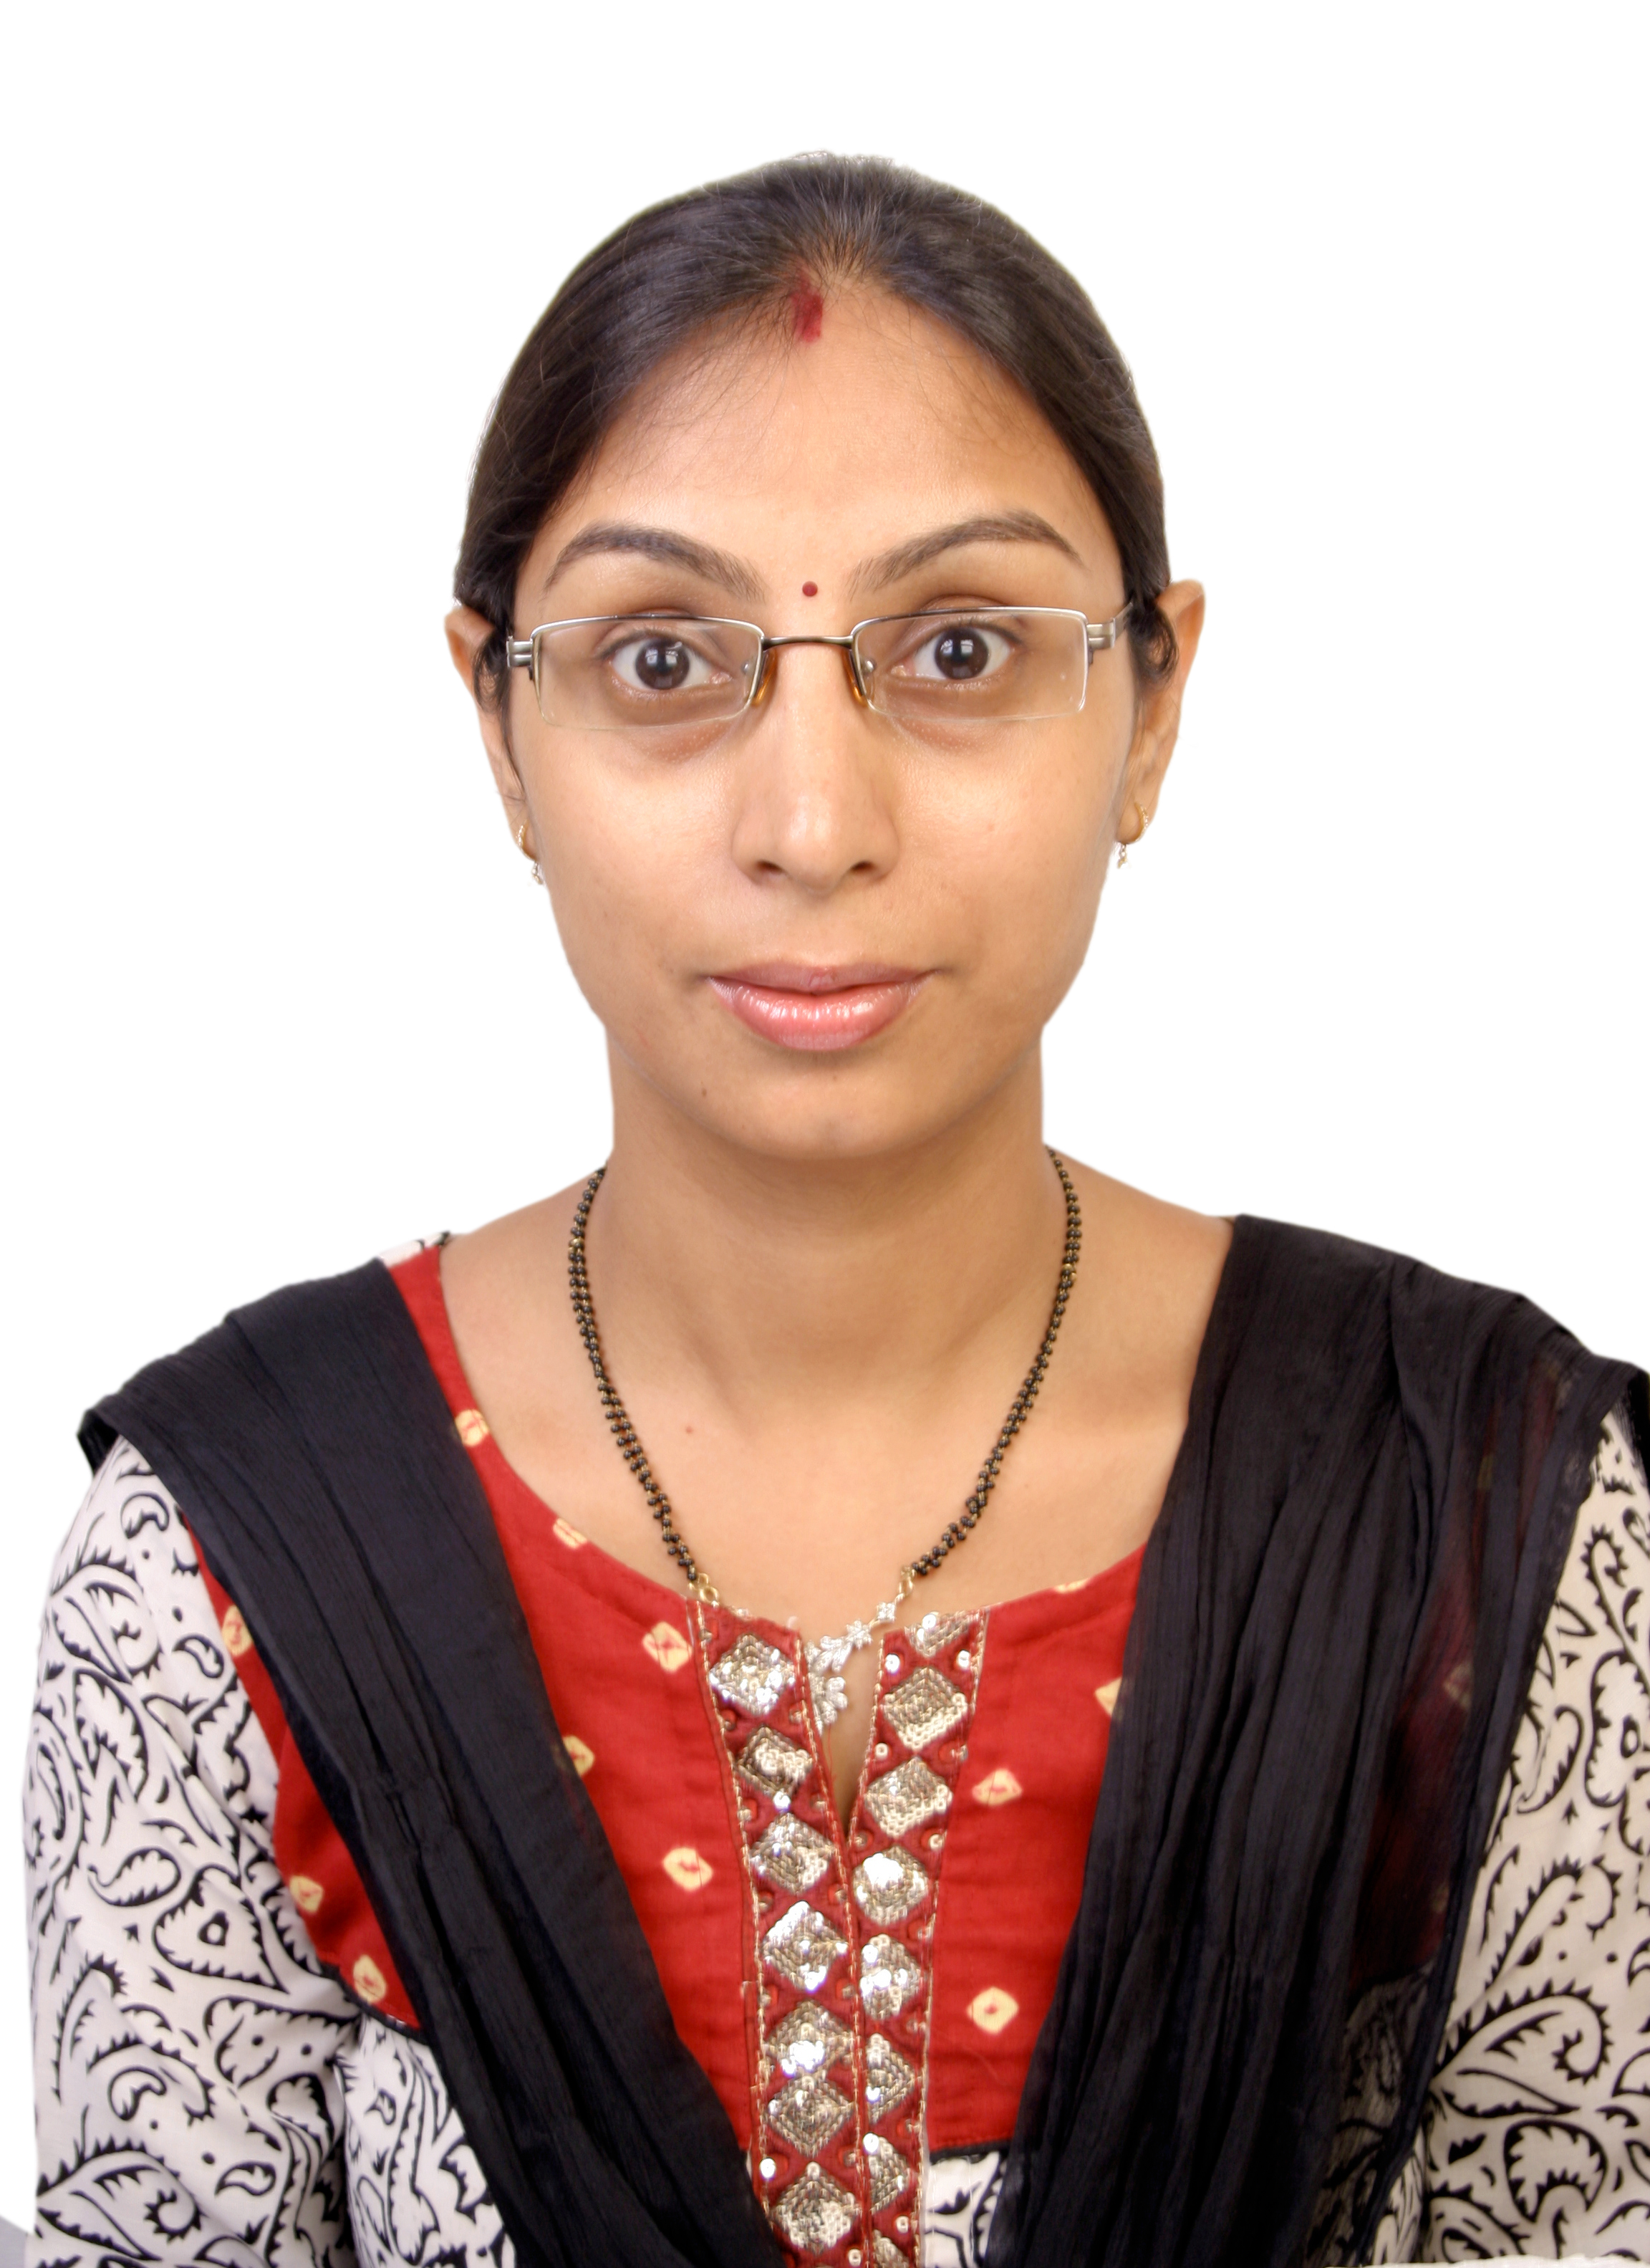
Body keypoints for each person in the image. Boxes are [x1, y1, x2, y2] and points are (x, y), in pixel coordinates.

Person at [24, 155, 1646, 2268]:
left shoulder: (1477, 1520)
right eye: (662, 660)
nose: (812, 822)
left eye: (959, 645)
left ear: (1153, 706)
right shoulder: (233, 1561)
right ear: (497, 727)